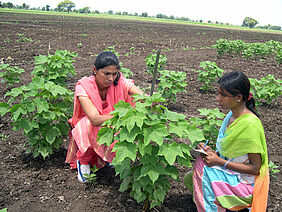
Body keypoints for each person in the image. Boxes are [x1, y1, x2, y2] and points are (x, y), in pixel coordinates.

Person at [185, 71, 269, 211]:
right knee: (190, 178)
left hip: (245, 184)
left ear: (238, 97)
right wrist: (212, 153)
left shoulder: (250, 125)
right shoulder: (231, 116)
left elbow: (255, 168)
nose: (218, 99)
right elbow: (231, 153)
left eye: (223, 95)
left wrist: (220, 162)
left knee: (201, 168)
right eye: (218, 93)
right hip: (231, 173)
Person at [65, 51, 143, 183]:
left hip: (113, 124)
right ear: (95, 70)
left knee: (119, 128)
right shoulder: (83, 86)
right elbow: (95, 119)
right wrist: (123, 116)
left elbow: (138, 94)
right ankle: (83, 161)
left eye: (114, 74)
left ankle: (111, 157)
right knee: (89, 124)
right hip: (91, 127)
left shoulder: (120, 82)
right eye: (106, 73)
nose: (111, 78)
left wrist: (149, 99)